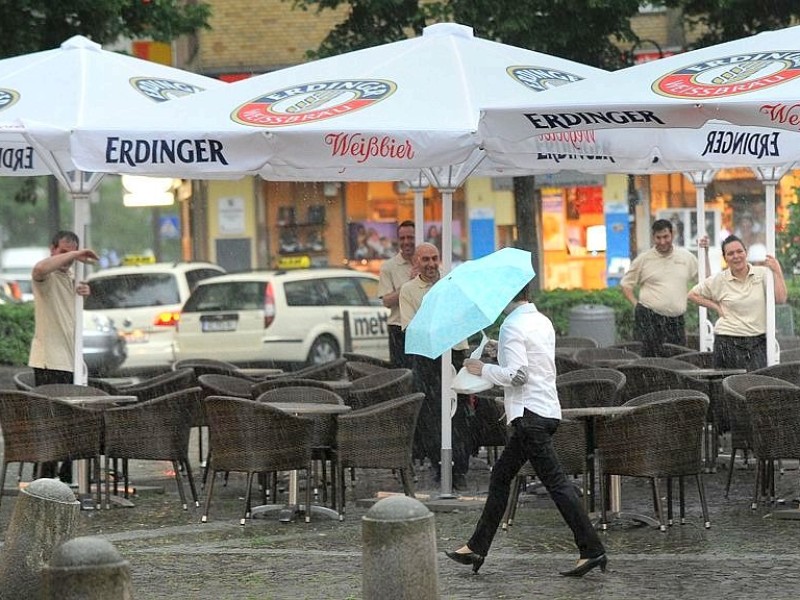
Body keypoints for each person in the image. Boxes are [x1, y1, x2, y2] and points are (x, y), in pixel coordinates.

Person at [445, 282, 606, 576]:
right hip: (545, 411)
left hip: (529, 415)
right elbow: (532, 359)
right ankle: (476, 547)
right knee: (501, 474)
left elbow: (518, 375)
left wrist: (483, 369)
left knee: (557, 484)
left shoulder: (511, 326)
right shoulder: (540, 320)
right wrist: (498, 349)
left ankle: (592, 549)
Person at [399, 242, 472, 490]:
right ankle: (439, 465)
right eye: (425, 260)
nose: (431, 264)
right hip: (427, 356)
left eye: (434, 258)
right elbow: (409, 328)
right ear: (416, 263)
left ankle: (459, 468)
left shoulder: (452, 285)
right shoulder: (409, 290)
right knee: (432, 416)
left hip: (455, 351)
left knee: (458, 412)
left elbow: (463, 319)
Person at [28, 230, 99, 481]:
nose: (68, 259)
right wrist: (78, 254)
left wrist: (81, 292)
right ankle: (45, 476)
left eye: (72, 253)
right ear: (52, 249)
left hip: (71, 360)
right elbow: (39, 268)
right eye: (63, 252)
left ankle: (68, 474)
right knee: (52, 420)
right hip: (49, 359)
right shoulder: (45, 277)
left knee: (72, 420)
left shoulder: (72, 277)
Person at [687, 234, 787, 370]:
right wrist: (716, 307)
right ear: (725, 258)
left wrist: (777, 270)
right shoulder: (719, 280)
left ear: (746, 252)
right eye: (730, 253)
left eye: (739, 251)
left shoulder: (763, 274)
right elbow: (692, 295)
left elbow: (780, 299)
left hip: (758, 341)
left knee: (757, 386)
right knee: (728, 385)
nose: (736, 256)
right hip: (727, 341)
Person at [621, 219, 709, 357]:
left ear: (672, 235)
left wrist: (705, 253)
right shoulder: (644, 259)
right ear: (653, 237)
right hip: (649, 319)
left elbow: (706, 280)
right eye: (658, 238)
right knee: (649, 363)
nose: (662, 242)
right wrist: (635, 305)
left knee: (678, 360)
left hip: (676, 321)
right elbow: (626, 284)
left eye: (665, 237)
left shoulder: (686, 257)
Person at [377, 220, 416, 368]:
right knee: (403, 375)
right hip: (399, 329)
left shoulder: (426, 263)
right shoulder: (389, 267)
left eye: (410, 238)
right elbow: (386, 301)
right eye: (402, 238)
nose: (406, 242)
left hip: (421, 327)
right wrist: (409, 285)